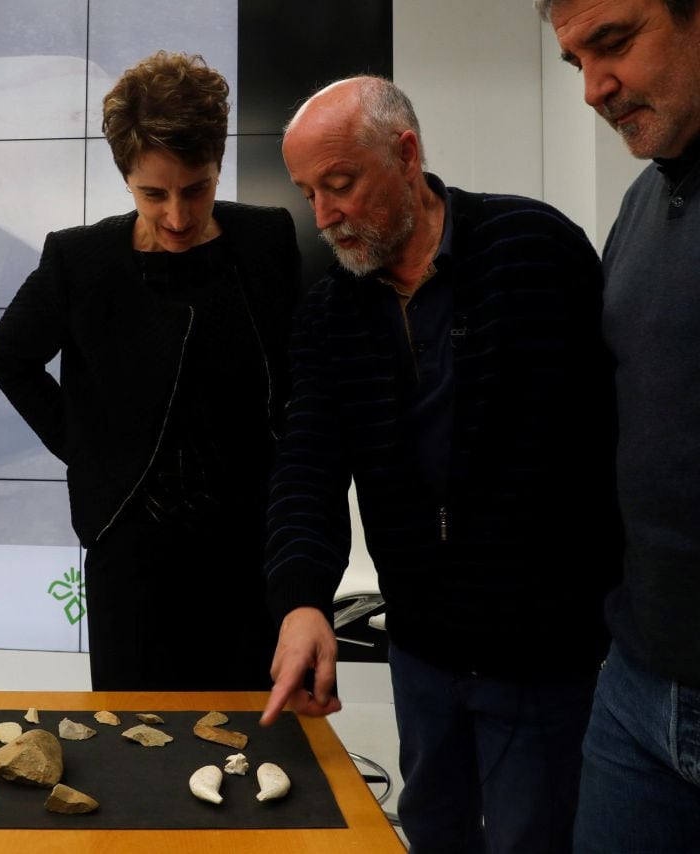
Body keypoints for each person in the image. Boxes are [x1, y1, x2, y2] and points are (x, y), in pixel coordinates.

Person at [259, 75, 620, 853]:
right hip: (421, 652)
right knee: (431, 833)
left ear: (406, 153)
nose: (323, 215)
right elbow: (307, 465)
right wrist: (300, 600)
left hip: (543, 660)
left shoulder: (533, 248)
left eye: (341, 183)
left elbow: (614, 433)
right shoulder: (330, 311)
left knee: (533, 840)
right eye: (309, 192)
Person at [0, 51, 300, 691]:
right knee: (135, 745)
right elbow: (9, 357)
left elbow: (294, 376)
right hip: (130, 550)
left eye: (198, 188)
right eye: (153, 194)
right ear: (125, 176)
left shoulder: (266, 240)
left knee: (256, 744)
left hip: (248, 548)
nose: (178, 216)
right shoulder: (81, 259)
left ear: (218, 166)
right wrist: (87, 450)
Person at [537, 2, 700, 850]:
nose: (596, 89)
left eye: (615, 42)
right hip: (635, 682)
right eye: (576, 63)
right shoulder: (639, 207)